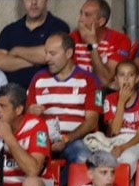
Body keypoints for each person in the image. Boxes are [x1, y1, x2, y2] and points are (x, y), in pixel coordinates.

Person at [27, 32, 101, 162]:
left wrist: (66, 139)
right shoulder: (38, 78)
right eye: (46, 53)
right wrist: (30, 112)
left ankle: (66, 183)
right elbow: (26, 114)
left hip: (74, 141)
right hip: (42, 140)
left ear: (68, 53)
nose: (47, 59)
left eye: (53, 54)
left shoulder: (90, 80)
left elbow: (92, 122)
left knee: (82, 155)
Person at [0, 0, 72, 91]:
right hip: (12, 96)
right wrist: (38, 61)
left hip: (46, 92)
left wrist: (17, 51)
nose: (34, 2)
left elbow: (50, 55)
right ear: (22, 0)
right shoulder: (10, 30)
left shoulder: (58, 26)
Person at [73, 0, 135, 91]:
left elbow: (104, 80)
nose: (80, 19)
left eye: (87, 15)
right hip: (76, 91)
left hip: (102, 93)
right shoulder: (73, 37)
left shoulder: (120, 40)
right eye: (81, 13)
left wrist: (92, 45)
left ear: (101, 21)